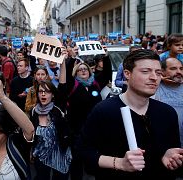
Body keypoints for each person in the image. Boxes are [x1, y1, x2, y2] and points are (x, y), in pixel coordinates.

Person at [76, 49, 183, 180]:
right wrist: (119, 163)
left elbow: (171, 151)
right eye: (145, 71)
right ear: (127, 74)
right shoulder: (104, 110)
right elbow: (84, 152)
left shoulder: (167, 113)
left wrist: (168, 156)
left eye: (158, 72)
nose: (154, 77)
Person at [30, 57, 72, 180]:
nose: (43, 94)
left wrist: (63, 62)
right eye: (41, 92)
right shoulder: (34, 111)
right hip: (41, 155)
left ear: (52, 94)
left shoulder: (57, 108)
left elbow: (63, 84)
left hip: (59, 154)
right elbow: (32, 135)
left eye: (47, 92)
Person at [65, 62, 102, 180]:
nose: (83, 71)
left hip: (94, 129)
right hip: (76, 129)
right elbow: (67, 77)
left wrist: (106, 57)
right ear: (76, 73)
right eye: (80, 69)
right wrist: (70, 59)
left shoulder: (94, 85)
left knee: (93, 158)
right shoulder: (73, 85)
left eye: (85, 69)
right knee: (77, 160)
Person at [155, 57, 183, 146]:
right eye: (173, 68)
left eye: (181, 69)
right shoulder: (154, 88)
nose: (179, 72)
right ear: (162, 71)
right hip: (164, 146)